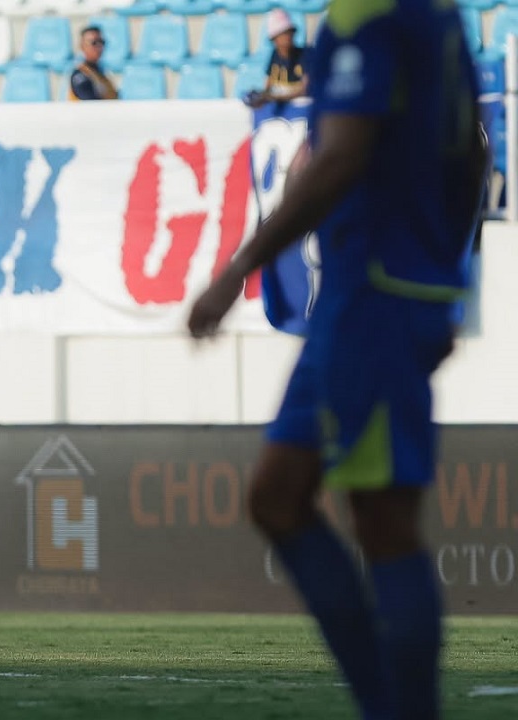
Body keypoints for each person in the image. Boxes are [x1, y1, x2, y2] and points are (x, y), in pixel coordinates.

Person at [188, 1, 487, 718]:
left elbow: (344, 157)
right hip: (365, 298)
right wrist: (448, 280)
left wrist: (240, 268)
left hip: (375, 299)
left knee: (381, 520)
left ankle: (402, 710)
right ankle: (385, 702)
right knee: (276, 497)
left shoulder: (366, 15)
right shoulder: (438, 15)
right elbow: (474, 150)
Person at [246, 9, 308, 108]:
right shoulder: (275, 55)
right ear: (274, 39)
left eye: (289, 32)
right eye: (283, 33)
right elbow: (268, 84)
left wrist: (279, 96)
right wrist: (262, 96)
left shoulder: (305, 55)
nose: (287, 37)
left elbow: (306, 88)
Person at [69, 25, 118, 101]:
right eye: (94, 43)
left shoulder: (101, 73)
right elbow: (92, 105)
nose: (99, 46)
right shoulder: (80, 75)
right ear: (82, 46)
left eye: (101, 42)